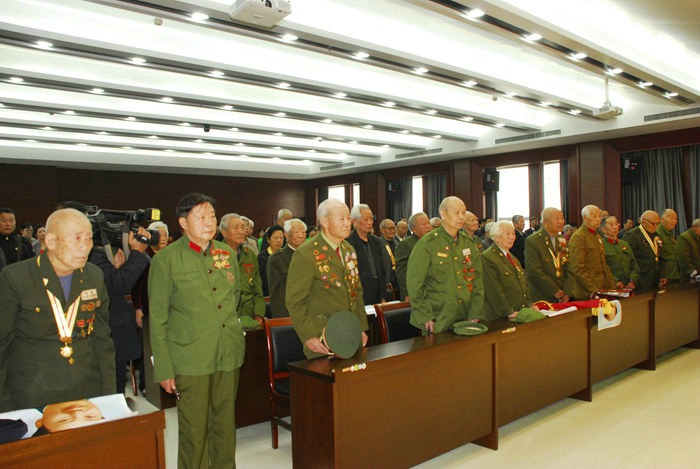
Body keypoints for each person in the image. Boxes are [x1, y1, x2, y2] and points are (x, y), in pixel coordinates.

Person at [148, 192, 243, 468]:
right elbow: (158, 319)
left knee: (225, 426)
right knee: (194, 431)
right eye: (201, 217)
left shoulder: (227, 253)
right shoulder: (166, 259)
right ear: (183, 223)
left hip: (228, 353)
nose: (209, 222)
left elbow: (234, 296)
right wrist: (164, 369)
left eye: (212, 216)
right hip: (190, 358)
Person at [0, 208, 115, 412]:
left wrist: (108, 396)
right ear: (51, 242)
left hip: (85, 389)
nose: (85, 246)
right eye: (77, 238)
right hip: (33, 394)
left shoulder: (94, 276)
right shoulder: (16, 278)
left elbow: (102, 340)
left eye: (89, 238)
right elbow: (3, 343)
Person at [286, 198, 368, 358]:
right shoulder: (306, 253)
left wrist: (361, 328)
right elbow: (295, 301)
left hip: (351, 333)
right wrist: (308, 336)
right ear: (324, 221)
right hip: (322, 337)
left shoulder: (348, 250)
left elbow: (356, 292)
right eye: (341, 219)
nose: (347, 223)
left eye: (348, 218)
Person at [88, 224, 151, 394]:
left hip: (108, 332)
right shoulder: (92, 255)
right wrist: (137, 252)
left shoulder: (94, 255)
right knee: (111, 392)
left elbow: (108, 284)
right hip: (104, 334)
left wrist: (115, 269)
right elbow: (121, 285)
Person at [407, 196, 484, 333]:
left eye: (463, 212)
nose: (461, 217)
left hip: (465, 315)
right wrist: (425, 315)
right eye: (457, 212)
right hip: (438, 318)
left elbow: (477, 280)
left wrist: (475, 312)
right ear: (443, 213)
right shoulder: (428, 243)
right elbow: (415, 284)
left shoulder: (468, 243)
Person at [480, 221, 532, 320]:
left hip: (518, 312)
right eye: (507, 234)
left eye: (513, 233)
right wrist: (508, 311)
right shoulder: (488, 258)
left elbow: (523, 284)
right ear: (495, 237)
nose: (512, 237)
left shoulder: (512, 258)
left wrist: (529, 305)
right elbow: (493, 291)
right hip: (501, 316)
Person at [221, 213, 264, 329]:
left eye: (243, 227)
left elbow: (257, 289)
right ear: (224, 232)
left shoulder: (249, 254)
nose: (241, 231)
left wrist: (259, 314)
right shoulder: (215, 255)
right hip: (225, 318)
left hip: (249, 316)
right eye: (236, 228)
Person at [568, 205, 619, 299]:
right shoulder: (579, 236)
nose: (598, 219)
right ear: (584, 218)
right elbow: (577, 268)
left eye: (599, 216)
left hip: (602, 288)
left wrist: (612, 287)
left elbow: (604, 265)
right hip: (587, 292)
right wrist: (594, 290)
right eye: (594, 216)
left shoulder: (597, 236)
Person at [524, 207, 572, 303]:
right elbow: (534, 271)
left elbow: (569, 268)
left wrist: (567, 292)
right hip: (542, 296)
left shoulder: (562, 240)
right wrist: (554, 290)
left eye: (562, 218)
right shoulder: (533, 241)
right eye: (557, 218)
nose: (561, 222)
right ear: (545, 222)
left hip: (562, 296)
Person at [346, 204, 387, 305]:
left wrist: (383, 295)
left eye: (371, 219)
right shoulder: (348, 243)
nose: (370, 222)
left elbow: (382, 269)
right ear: (355, 222)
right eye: (366, 220)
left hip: (378, 293)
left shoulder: (376, 241)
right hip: (360, 294)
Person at [268, 218, 307, 318]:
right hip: (289, 314)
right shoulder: (277, 259)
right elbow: (276, 294)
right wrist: (283, 319)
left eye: (303, 232)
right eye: (296, 232)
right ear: (286, 234)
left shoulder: (311, 255)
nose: (300, 235)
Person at [623, 210, 667, 290]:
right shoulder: (632, 235)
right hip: (640, 279)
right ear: (643, 222)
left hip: (655, 278)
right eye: (653, 224)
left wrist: (663, 275)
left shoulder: (656, 235)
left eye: (658, 223)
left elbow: (661, 256)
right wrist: (631, 279)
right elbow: (626, 260)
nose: (656, 226)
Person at [395, 212, 432, 301]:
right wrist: (407, 293)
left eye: (428, 223)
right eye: (424, 224)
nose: (428, 226)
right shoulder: (406, 244)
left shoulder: (434, 241)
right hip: (415, 293)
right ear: (414, 229)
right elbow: (402, 272)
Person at [600, 216, 641, 290]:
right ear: (603, 229)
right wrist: (616, 281)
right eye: (611, 225)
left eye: (616, 224)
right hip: (612, 287)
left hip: (629, 287)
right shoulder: (601, 246)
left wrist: (632, 280)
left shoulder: (624, 244)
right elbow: (602, 269)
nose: (615, 227)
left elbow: (634, 264)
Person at [258, 225, 285, 297]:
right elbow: (264, 279)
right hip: (269, 294)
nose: (279, 240)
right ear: (268, 239)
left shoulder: (285, 254)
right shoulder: (262, 257)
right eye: (276, 238)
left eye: (281, 238)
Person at [657, 209, 680, 282]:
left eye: (675, 219)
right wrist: (662, 275)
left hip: (674, 274)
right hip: (666, 276)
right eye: (671, 218)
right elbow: (657, 257)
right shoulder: (658, 234)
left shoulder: (670, 234)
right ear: (662, 219)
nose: (674, 221)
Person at [378, 218, 399, 299]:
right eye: (390, 228)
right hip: (385, 283)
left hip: (397, 283)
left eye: (394, 228)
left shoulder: (398, 244)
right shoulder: (377, 244)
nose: (393, 231)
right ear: (382, 230)